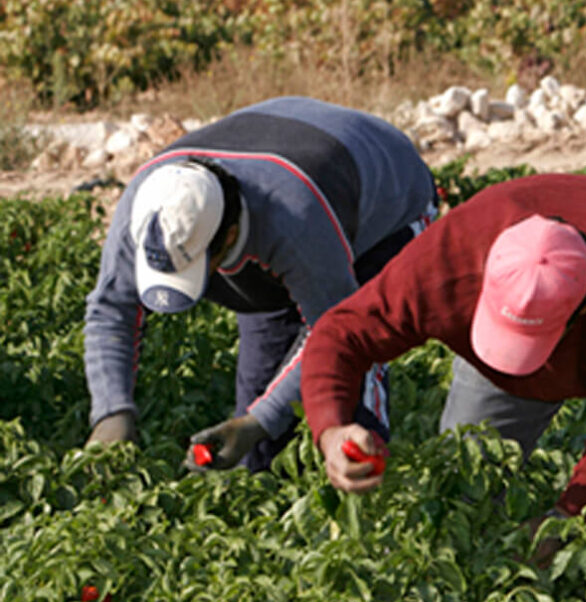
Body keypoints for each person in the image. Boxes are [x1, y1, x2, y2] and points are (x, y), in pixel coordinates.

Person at [300, 173, 586, 541]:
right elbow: (341, 334)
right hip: (507, 307)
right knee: (465, 482)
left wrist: (566, 517)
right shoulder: (449, 260)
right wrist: (331, 429)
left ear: (583, 309)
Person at [83, 96, 437, 471]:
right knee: (258, 421)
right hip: (287, 173)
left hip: (387, 204)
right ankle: (267, 483)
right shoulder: (146, 207)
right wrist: (112, 411)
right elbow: (111, 309)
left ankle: (369, 493)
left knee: (349, 385)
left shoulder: (295, 218)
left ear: (230, 237)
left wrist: (259, 422)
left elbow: (335, 332)